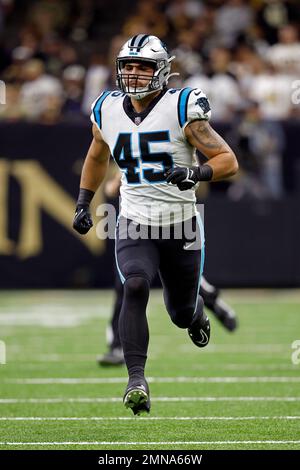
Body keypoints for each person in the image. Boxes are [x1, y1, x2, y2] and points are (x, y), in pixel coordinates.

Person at [73, 34, 238, 416]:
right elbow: (97, 155)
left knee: (180, 313)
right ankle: (135, 379)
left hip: (181, 226)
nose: (133, 73)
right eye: (127, 65)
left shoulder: (181, 106)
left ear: (161, 70)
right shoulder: (106, 108)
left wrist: (194, 172)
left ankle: (196, 311)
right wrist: (84, 200)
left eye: (142, 66)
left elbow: (228, 160)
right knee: (133, 285)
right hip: (133, 221)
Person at [98, 172, 238, 367]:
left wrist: (192, 175)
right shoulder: (131, 150)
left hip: (172, 224)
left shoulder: (175, 148)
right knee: (130, 285)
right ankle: (118, 347)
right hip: (137, 227)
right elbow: (111, 187)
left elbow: (203, 177)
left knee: (180, 285)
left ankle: (209, 302)